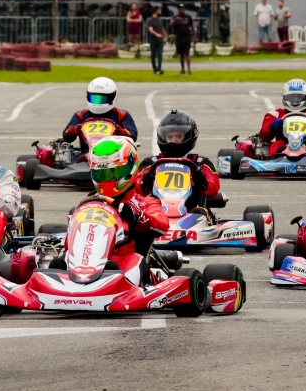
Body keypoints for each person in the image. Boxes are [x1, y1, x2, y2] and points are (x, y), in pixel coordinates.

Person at [80, 136, 169, 272]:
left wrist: (137, 218)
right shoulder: (91, 202)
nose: (108, 179)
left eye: (114, 173)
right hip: (87, 263)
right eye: (101, 175)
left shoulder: (146, 204)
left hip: (125, 268)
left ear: (130, 168)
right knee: (58, 261)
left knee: (122, 265)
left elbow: (162, 224)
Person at [137, 110, 220, 214]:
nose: (174, 141)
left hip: (192, 213)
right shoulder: (151, 163)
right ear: (163, 137)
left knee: (199, 212)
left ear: (188, 136)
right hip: (158, 214)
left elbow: (214, 188)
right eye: (170, 137)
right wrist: (146, 182)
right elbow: (137, 188)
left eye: (178, 137)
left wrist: (202, 181)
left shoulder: (200, 163)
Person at [259, 78, 306, 159]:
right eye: (292, 97)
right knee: (276, 145)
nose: (295, 101)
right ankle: (278, 160)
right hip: (285, 145)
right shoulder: (276, 114)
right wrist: (272, 127)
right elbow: (264, 136)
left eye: (299, 97)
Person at [63, 77, 138, 154]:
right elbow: (66, 136)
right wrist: (74, 130)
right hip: (86, 156)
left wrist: (121, 132)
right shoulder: (81, 115)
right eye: (94, 98)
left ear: (112, 97)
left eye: (102, 99)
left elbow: (133, 136)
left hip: (114, 156)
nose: (97, 103)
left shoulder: (121, 115)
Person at [169, 4, 196, 75]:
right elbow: (171, 25)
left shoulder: (188, 17)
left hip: (187, 36)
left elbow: (192, 27)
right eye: (180, 9)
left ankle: (189, 69)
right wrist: (175, 20)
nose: (181, 10)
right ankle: (182, 69)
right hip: (179, 37)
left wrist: (195, 37)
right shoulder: (175, 17)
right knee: (181, 54)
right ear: (178, 9)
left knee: (187, 53)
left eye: (182, 8)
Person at [145, 8, 167, 75]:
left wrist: (165, 36)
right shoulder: (150, 20)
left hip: (160, 40)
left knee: (160, 54)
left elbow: (162, 28)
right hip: (153, 40)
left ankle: (159, 69)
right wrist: (156, 34)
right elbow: (150, 29)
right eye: (159, 10)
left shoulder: (160, 20)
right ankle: (155, 69)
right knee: (153, 55)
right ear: (156, 11)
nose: (160, 12)